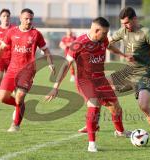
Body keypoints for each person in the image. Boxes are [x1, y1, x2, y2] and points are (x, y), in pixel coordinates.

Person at [45, 17, 132, 152]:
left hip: (101, 79)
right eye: (104, 33)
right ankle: (92, 144)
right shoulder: (78, 43)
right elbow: (66, 65)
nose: (106, 36)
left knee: (116, 107)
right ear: (96, 30)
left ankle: (120, 132)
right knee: (94, 103)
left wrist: (123, 55)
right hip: (85, 80)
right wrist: (55, 87)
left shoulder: (102, 39)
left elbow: (108, 46)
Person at [107, 7, 150, 148]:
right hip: (128, 71)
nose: (125, 26)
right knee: (102, 85)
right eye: (122, 23)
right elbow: (107, 43)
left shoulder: (146, 32)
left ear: (135, 19)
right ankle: (117, 129)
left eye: (127, 23)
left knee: (144, 106)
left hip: (144, 73)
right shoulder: (122, 31)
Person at [0, 8, 55, 132]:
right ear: (20, 18)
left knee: (19, 96)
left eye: (31, 19)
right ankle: (19, 107)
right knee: (3, 98)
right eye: (26, 18)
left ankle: (15, 125)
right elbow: (1, 48)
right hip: (12, 70)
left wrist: (50, 63)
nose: (29, 21)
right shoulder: (11, 32)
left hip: (28, 70)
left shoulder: (36, 34)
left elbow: (45, 50)